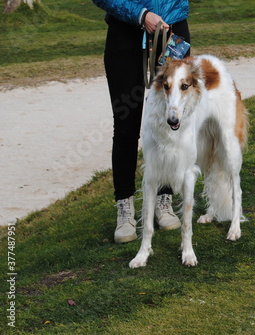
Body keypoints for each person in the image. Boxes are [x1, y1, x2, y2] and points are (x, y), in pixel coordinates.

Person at [92, 0, 191, 243]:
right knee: (126, 124)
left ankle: (164, 199)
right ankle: (125, 210)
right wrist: (142, 15)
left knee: (170, 122)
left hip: (172, 30)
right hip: (126, 34)